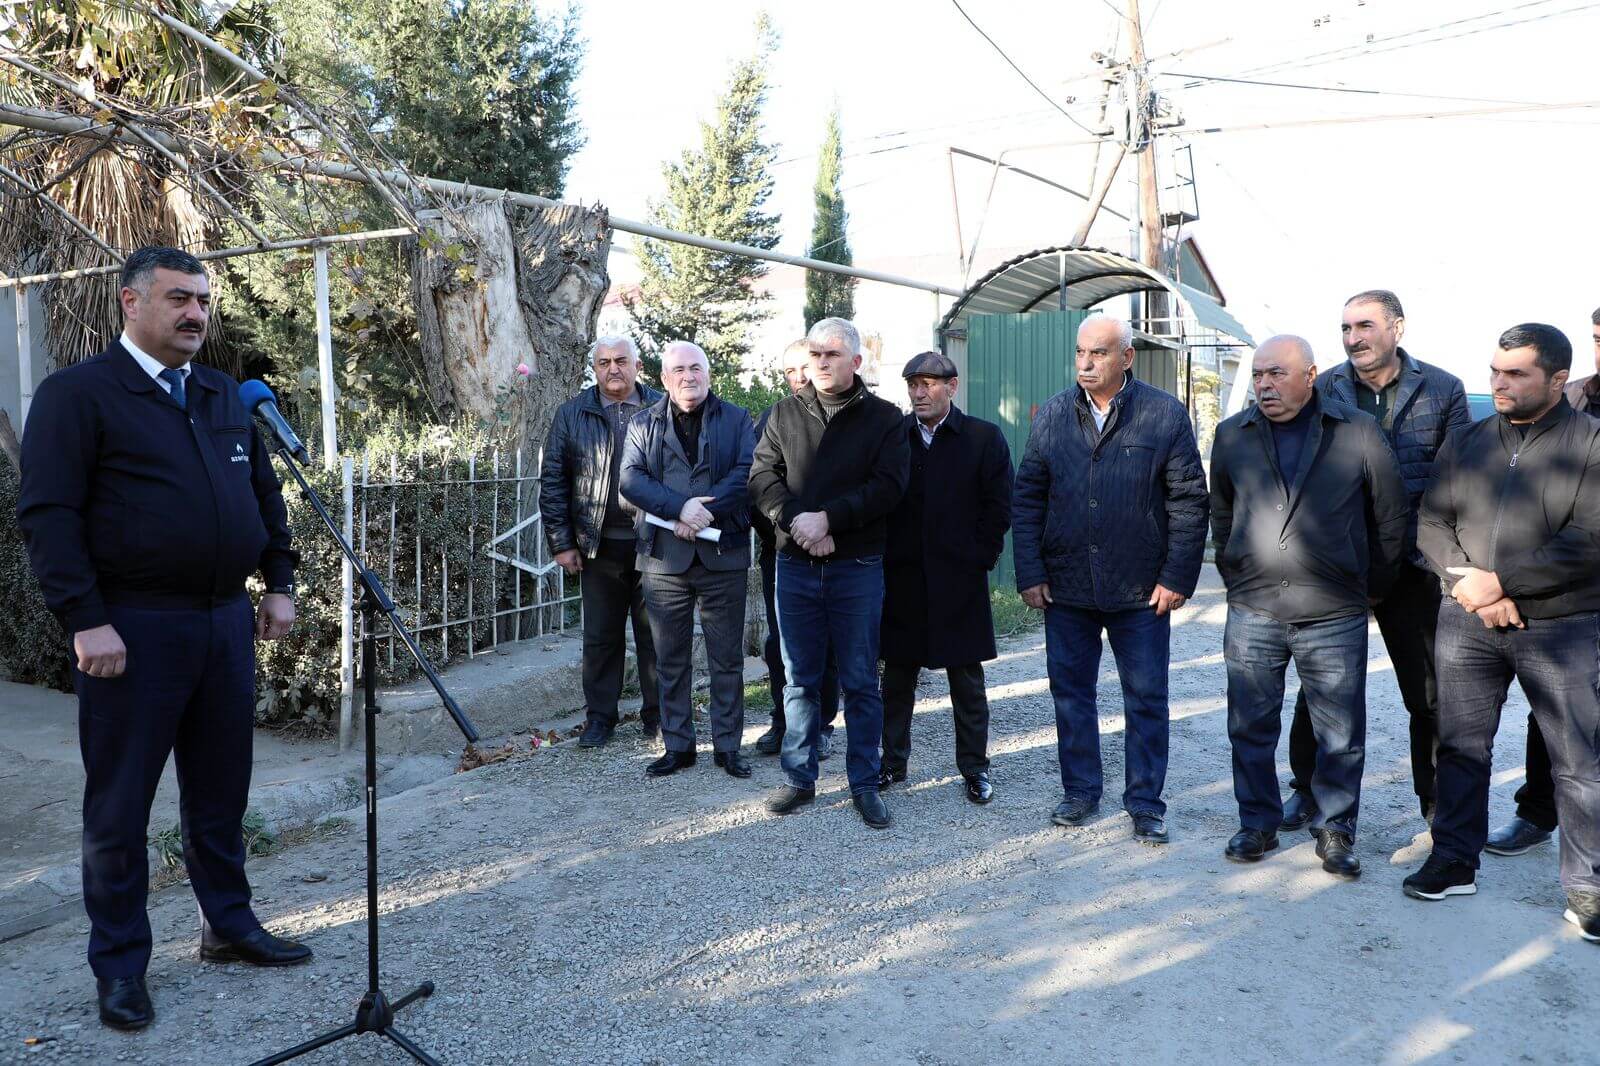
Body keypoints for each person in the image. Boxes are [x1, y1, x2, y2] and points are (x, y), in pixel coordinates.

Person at [16, 247, 311, 1032]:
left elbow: (263, 496)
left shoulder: (221, 393)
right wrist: (85, 619)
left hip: (223, 622)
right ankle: (120, 966)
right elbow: (48, 517)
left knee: (220, 790)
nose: (196, 314)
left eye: (203, 301)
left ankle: (228, 925)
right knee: (120, 806)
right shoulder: (78, 395)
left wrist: (279, 581)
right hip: (131, 627)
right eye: (180, 298)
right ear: (131, 303)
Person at [1407, 323, 1600, 944]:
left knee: (1577, 760)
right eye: (1495, 370)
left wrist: (1502, 583)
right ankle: (1453, 859)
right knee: (1461, 747)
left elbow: (1589, 539)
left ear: (1558, 379)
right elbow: (1432, 521)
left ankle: (1587, 886)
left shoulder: (1592, 444)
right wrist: (1470, 587)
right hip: (1467, 621)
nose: (1499, 382)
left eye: (1516, 373)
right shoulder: (1468, 440)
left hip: (1562, 625)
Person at [1209, 335, 1407, 878]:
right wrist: (1237, 573)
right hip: (1254, 609)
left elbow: (1391, 517)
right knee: (1250, 724)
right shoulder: (1232, 435)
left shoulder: (1356, 431)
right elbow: (1222, 514)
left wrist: (1368, 587)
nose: (1264, 384)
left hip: (1333, 610)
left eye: (1277, 373)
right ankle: (1257, 822)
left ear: (1311, 376)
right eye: (1258, 375)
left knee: (1339, 731)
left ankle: (1336, 828)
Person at [1011, 315, 1208, 844]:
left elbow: (1189, 501)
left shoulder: (1163, 414)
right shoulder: (1054, 415)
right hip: (1067, 585)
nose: (1085, 363)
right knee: (1071, 693)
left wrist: (1176, 576)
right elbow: (1028, 497)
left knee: (1145, 697)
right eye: (1080, 353)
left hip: (1140, 590)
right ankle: (1080, 791)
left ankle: (1144, 802)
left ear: (1126, 357)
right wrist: (1030, 570)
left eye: (1098, 353)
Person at [1278, 291, 1470, 832]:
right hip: (1336, 568)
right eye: (1345, 328)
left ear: (1397, 328)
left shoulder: (1443, 389)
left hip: (1413, 566)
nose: (1353, 338)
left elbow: (1458, 480)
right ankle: (1308, 789)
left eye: (1364, 325)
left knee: (1429, 693)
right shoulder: (1322, 389)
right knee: (1321, 687)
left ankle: (1437, 803)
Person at [749, 316, 909, 828]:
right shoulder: (783, 414)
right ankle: (800, 778)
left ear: (856, 362)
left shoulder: (885, 419)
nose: (820, 362)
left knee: (860, 679)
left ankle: (864, 782)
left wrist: (831, 520)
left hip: (855, 566)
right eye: (815, 353)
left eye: (831, 354)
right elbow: (761, 479)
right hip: (795, 566)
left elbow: (889, 486)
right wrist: (798, 521)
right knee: (799, 678)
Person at [1485, 305, 1600, 856]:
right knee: (1555, 714)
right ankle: (1537, 812)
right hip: (1567, 587)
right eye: (1598, 337)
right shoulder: (1571, 396)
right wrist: (1504, 584)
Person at [879, 351, 1013, 804]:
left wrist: (979, 558)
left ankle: (975, 768)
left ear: (952, 387)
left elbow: (999, 506)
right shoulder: (895, 437)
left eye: (928, 384)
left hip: (960, 579)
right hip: (903, 579)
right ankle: (892, 763)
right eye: (912, 385)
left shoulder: (982, 438)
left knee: (966, 681)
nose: (918, 393)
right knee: (897, 679)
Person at [619, 341, 755, 779]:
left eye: (696, 367)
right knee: (669, 659)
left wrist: (703, 513)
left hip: (723, 554)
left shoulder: (737, 419)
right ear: (664, 378)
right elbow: (630, 480)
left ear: (708, 373)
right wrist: (681, 509)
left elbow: (747, 473)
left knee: (726, 659)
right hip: (664, 559)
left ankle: (728, 747)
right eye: (678, 370)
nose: (688, 376)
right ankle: (678, 745)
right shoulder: (642, 423)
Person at [540, 337, 663, 748]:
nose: (613, 369)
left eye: (621, 360)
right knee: (600, 639)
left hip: (655, 544)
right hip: (598, 546)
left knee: (657, 637)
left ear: (637, 365)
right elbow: (553, 481)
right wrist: (562, 543)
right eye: (604, 362)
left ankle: (660, 716)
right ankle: (600, 719)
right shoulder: (572, 413)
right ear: (594, 368)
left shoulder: (662, 407)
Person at [752, 339, 840, 758]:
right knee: (780, 644)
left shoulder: (843, 416)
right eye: (790, 371)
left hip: (835, 550)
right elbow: (757, 483)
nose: (799, 377)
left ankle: (820, 724)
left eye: (805, 366)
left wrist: (825, 530)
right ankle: (782, 719)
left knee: (827, 644)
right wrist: (790, 530)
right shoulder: (772, 418)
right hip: (782, 551)